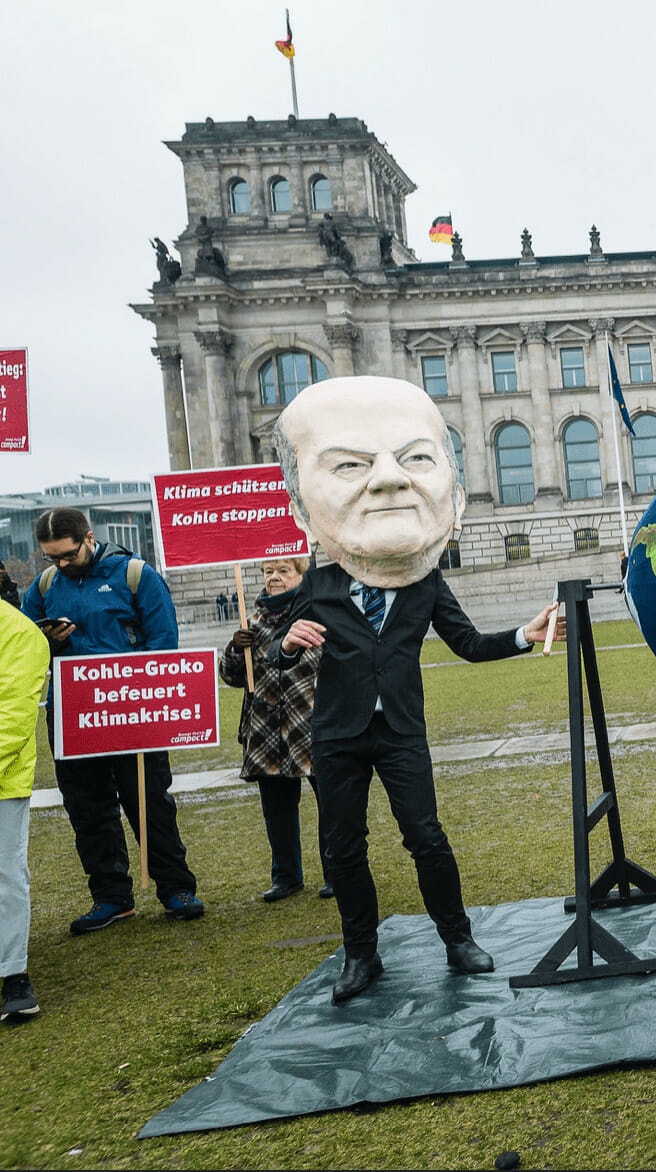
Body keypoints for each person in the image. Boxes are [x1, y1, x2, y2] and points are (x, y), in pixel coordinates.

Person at [267, 376, 560, 1004]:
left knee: (425, 836)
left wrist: (523, 635)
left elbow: (468, 643)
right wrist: (287, 646)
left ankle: (458, 940)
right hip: (338, 734)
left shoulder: (423, 581)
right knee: (342, 849)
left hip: (400, 731)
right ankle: (361, 955)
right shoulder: (317, 582)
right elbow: (273, 650)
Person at [20, 508, 205, 933]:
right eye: (52, 559)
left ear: (88, 538)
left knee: (149, 800)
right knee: (87, 808)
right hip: (73, 713)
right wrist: (46, 641)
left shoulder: (137, 574)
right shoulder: (46, 585)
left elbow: (163, 644)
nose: (60, 566)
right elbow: (25, 645)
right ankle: (110, 897)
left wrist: (133, 684)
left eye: (67, 556)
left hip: (130, 708)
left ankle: (176, 888)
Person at [220, 556, 330, 902]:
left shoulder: (319, 615)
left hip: (311, 722)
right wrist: (237, 649)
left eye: (284, 571)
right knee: (277, 809)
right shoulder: (250, 621)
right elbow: (230, 676)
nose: (274, 578)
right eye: (269, 572)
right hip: (266, 727)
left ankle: (337, 871)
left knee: (331, 802)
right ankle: (286, 876)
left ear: (300, 575)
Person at [1, 600, 50, 1023]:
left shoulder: (18, 633)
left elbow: (13, 719)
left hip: (3, 782)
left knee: (5, 875)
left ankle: (13, 975)